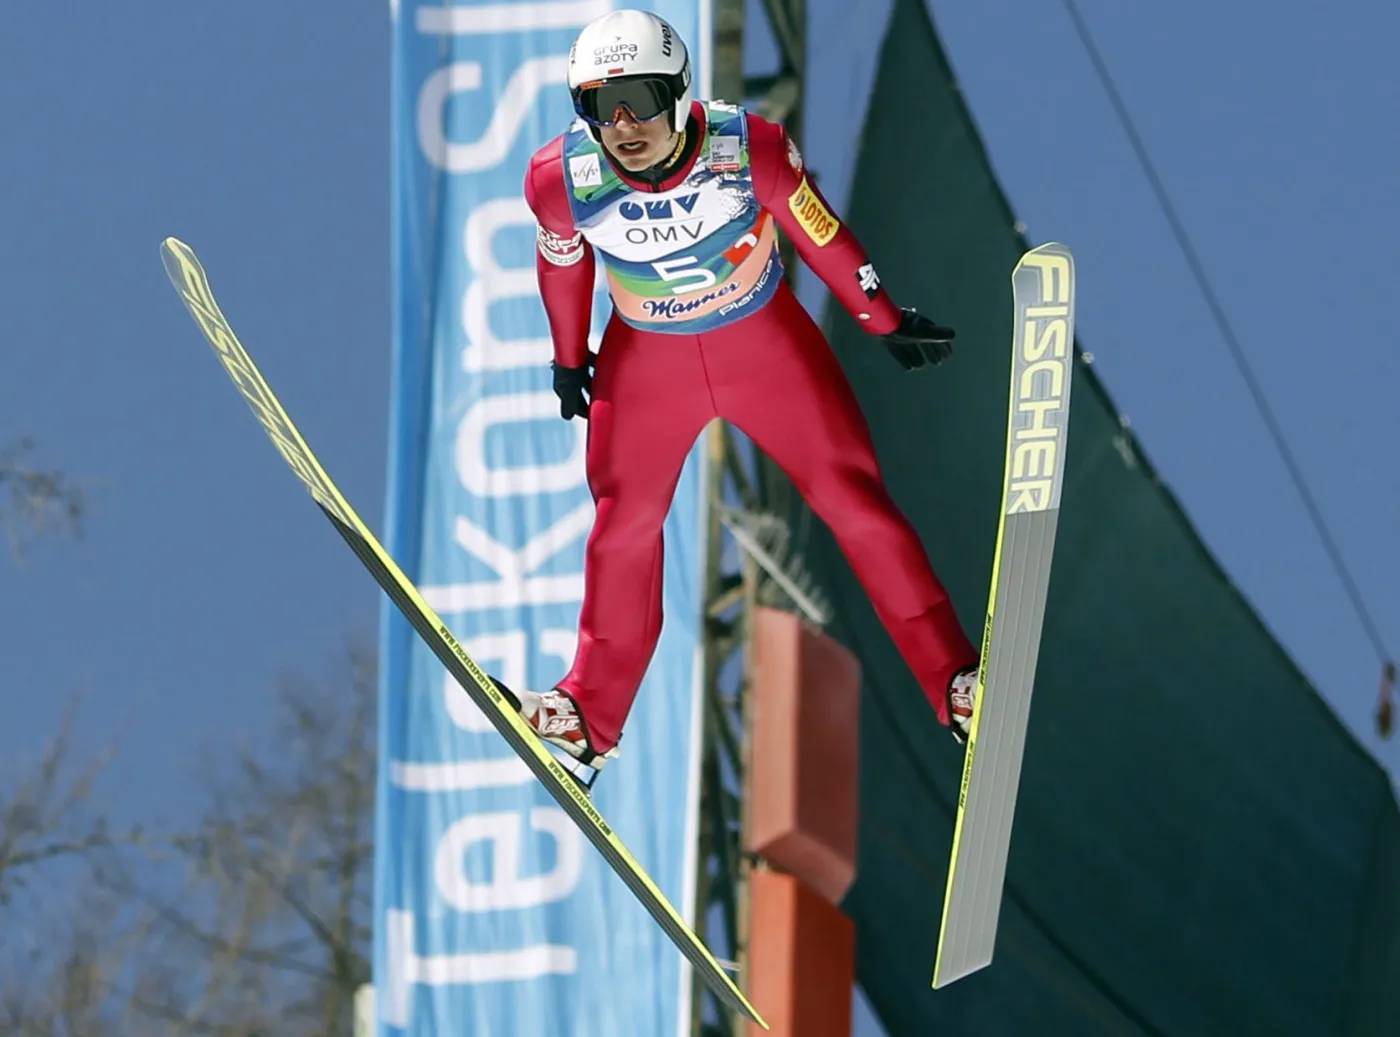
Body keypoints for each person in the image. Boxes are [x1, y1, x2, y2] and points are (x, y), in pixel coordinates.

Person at [492, 7, 980, 786]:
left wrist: (881, 317)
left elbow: (818, 231)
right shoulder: (560, 178)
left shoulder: (746, 148)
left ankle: (955, 684)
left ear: (681, 94)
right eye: (598, 104)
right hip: (646, 363)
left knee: (853, 501)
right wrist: (566, 355)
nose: (623, 125)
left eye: (642, 98)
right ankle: (588, 715)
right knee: (623, 526)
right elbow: (562, 261)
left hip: (764, 345)